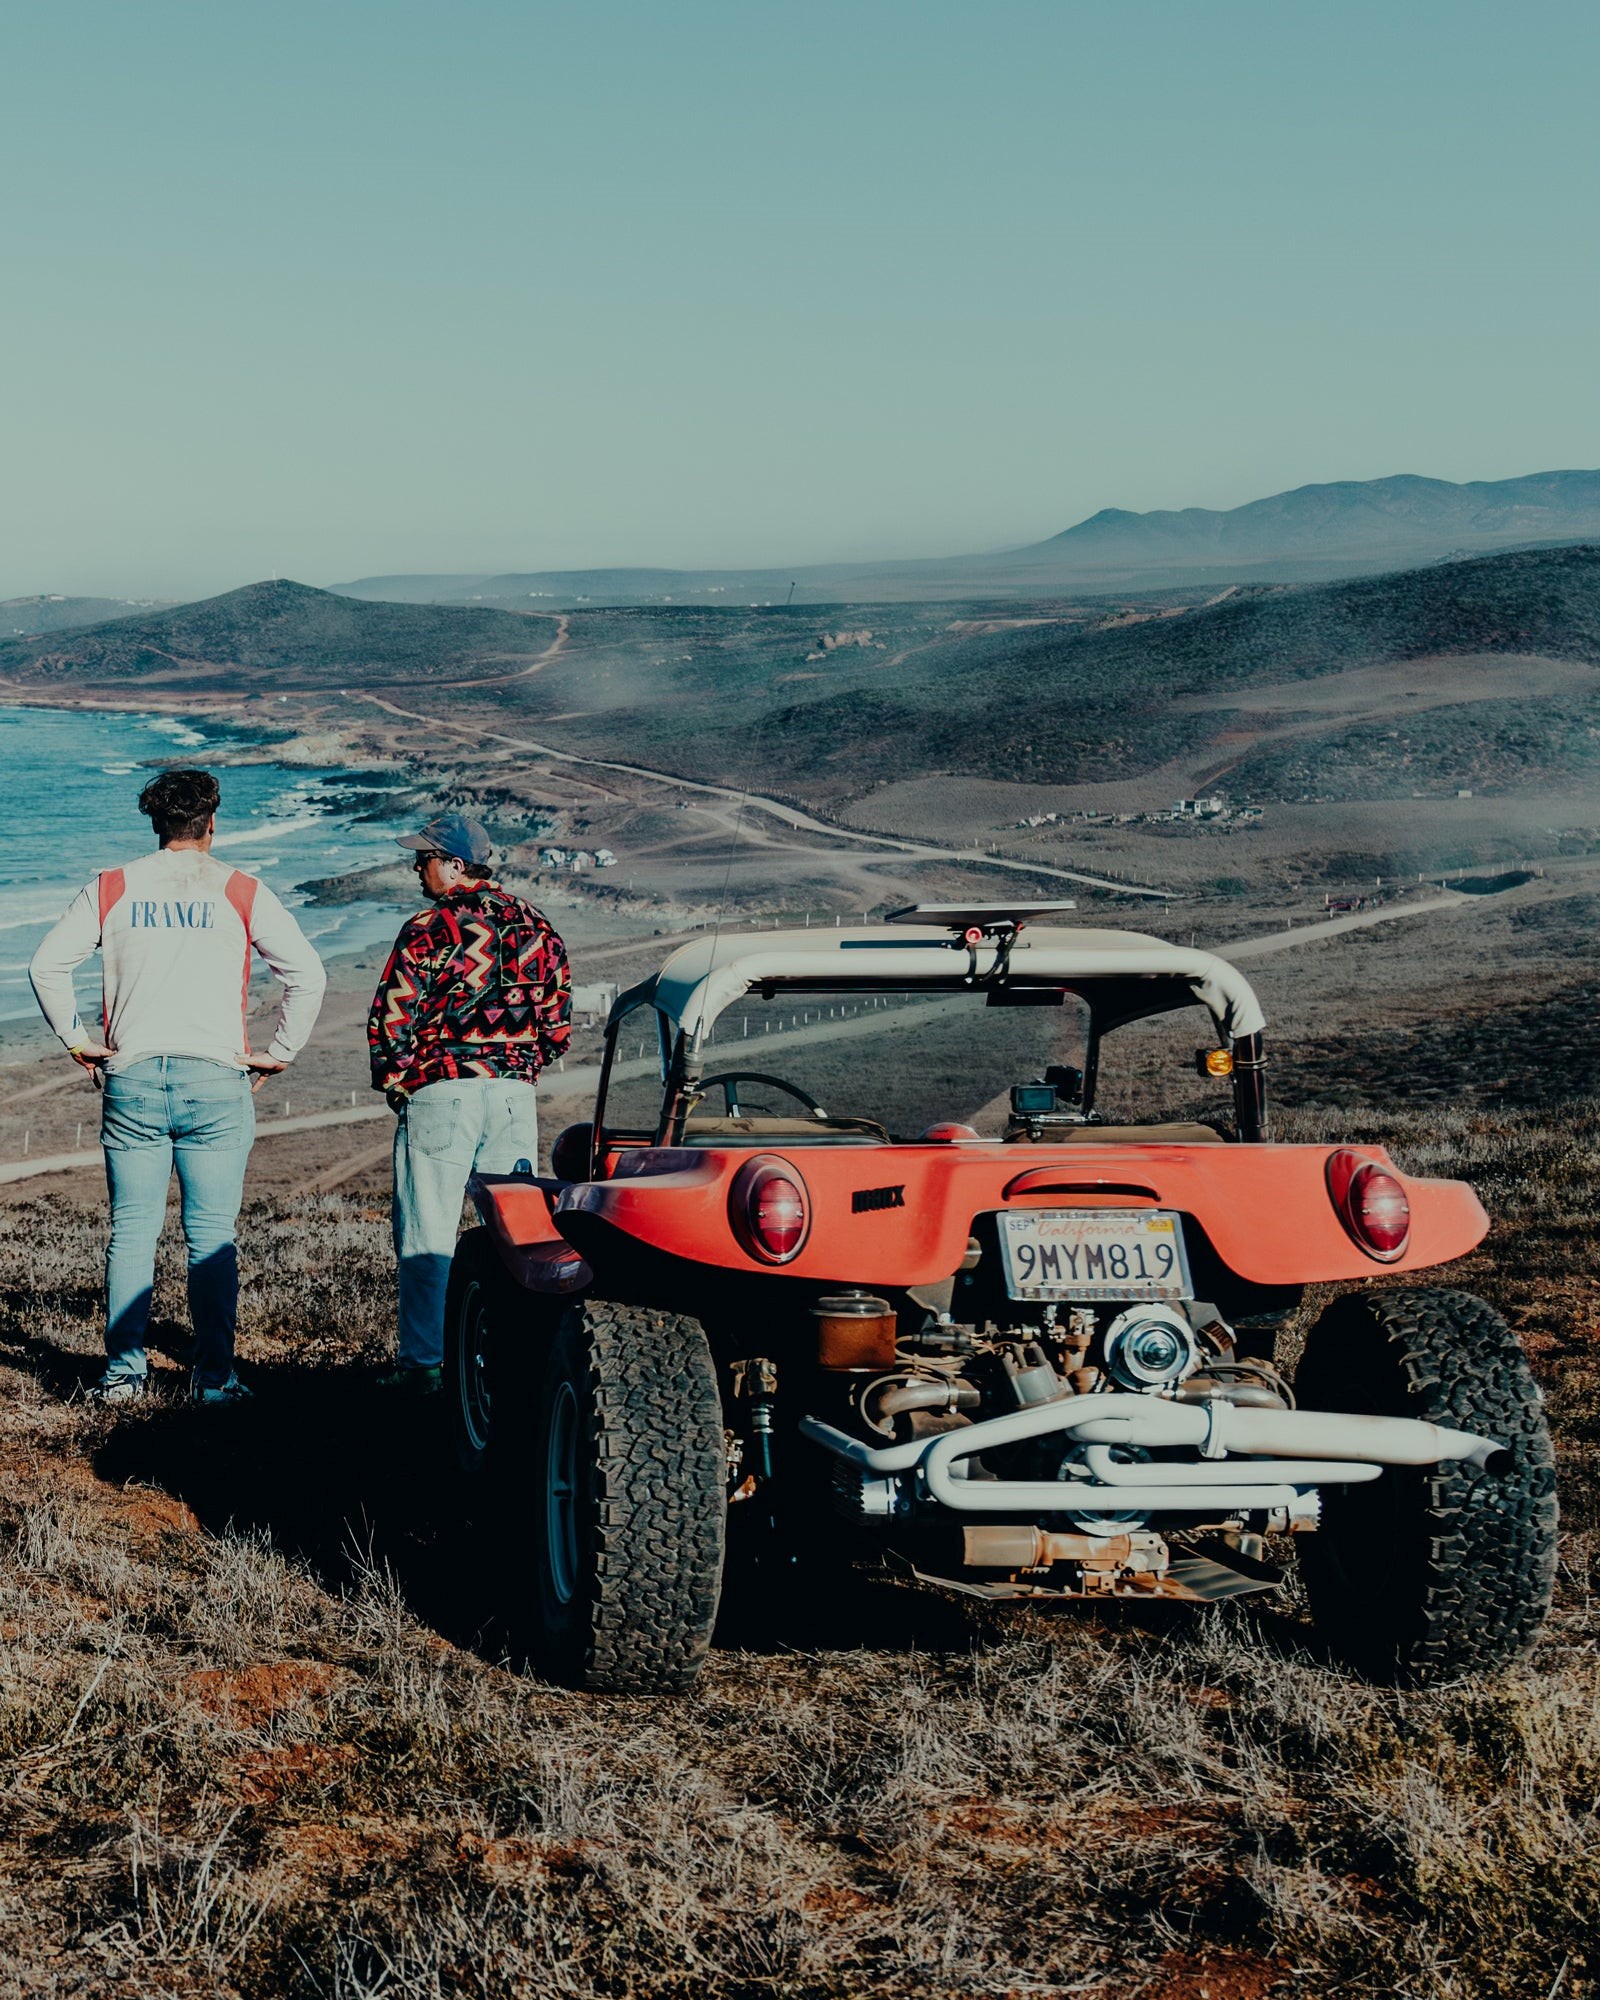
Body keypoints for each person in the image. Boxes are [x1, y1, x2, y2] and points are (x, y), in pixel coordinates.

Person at [29, 767, 327, 1404]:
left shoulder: (111, 886)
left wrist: (78, 1040)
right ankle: (214, 1379)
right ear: (211, 823)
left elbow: (46, 963)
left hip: (131, 1076)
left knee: (132, 1232)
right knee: (212, 1236)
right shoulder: (241, 889)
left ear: (156, 823)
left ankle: (123, 1376)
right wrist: (277, 1053)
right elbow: (307, 974)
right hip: (217, 1078)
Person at [367, 813, 571, 1393]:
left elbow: (392, 1017)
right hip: (513, 1096)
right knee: (516, 1233)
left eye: (425, 857)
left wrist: (399, 1080)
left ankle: (423, 1367)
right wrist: (516, 1065)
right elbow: (557, 1028)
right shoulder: (539, 927)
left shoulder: (428, 928)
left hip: (442, 1092)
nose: (416, 866)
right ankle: (514, 1360)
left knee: (427, 1233)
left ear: (456, 866)